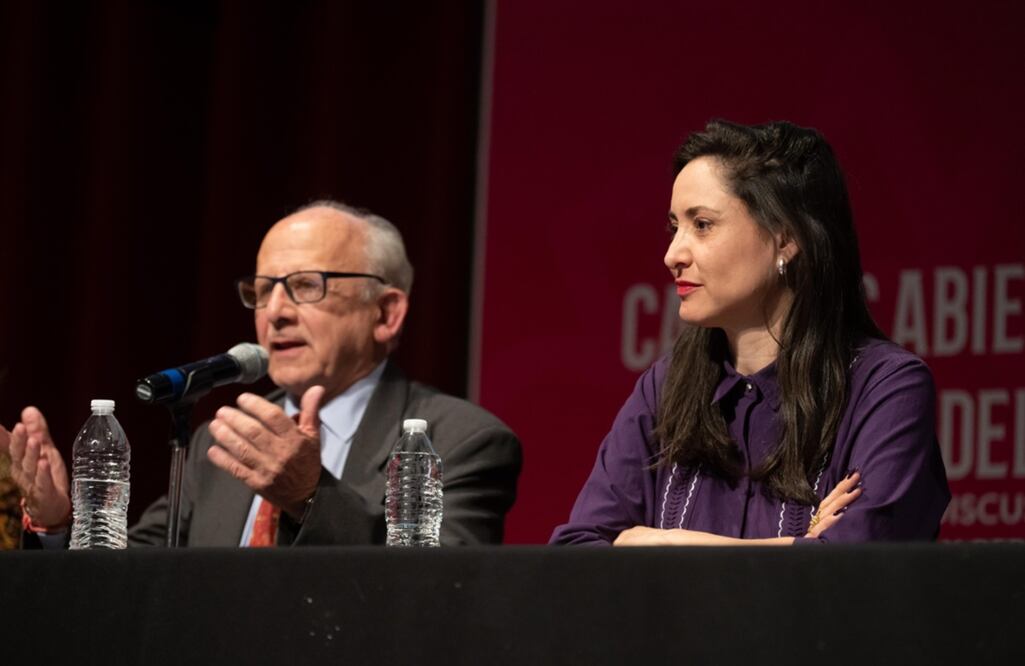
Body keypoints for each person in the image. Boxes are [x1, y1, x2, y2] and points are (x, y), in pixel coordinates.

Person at [1, 201, 522, 547]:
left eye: (305, 285)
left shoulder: (462, 441)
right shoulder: (222, 442)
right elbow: (140, 578)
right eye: (262, 289)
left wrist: (309, 495)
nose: (275, 312)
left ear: (386, 314)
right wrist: (58, 521)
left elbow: (442, 593)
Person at [550, 120, 950, 546]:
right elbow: (577, 553)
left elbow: (861, 564)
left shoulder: (885, 387)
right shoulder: (663, 391)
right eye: (674, 227)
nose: (672, 254)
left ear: (785, 239)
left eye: (702, 224)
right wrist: (799, 548)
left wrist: (663, 543)